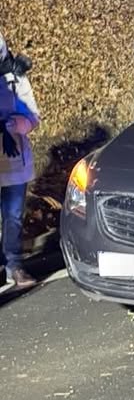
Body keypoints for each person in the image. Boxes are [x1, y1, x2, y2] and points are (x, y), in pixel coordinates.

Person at [0, 32, 40, 290]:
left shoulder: (16, 78)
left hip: (14, 160)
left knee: (13, 216)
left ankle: (14, 264)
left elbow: (33, 116)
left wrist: (13, 125)